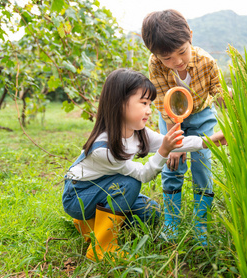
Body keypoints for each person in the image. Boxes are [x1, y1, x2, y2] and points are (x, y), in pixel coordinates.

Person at [62, 68, 226, 261]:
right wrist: (164, 151)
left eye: (150, 103)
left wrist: (211, 141)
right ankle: (101, 247)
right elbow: (144, 175)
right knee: (129, 184)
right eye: (144, 103)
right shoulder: (104, 149)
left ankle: (91, 224)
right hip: (79, 196)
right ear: (120, 104)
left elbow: (174, 142)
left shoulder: (138, 131)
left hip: (103, 188)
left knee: (151, 212)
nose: (149, 110)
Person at [141, 9, 227, 245]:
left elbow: (218, 92)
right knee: (172, 163)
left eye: (182, 52)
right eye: (167, 58)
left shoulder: (206, 61)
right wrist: (175, 143)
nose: (177, 61)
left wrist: (230, 101)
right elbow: (161, 102)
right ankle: (172, 221)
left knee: (202, 162)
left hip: (201, 115)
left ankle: (201, 222)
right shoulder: (155, 64)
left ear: (190, 36)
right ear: (154, 54)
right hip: (169, 116)